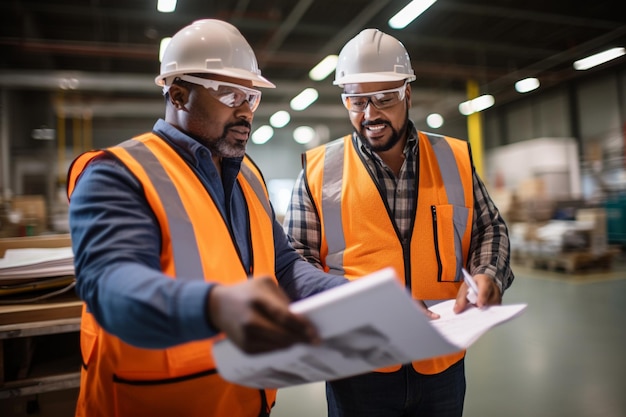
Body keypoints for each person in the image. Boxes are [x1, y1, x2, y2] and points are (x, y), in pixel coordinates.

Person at [66, 19, 347, 417]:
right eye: (230, 94)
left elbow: (282, 268)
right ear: (178, 95)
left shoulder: (247, 175)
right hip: (154, 404)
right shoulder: (118, 174)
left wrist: (353, 295)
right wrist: (216, 305)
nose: (246, 111)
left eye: (251, 96)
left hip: (246, 401)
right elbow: (110, 285)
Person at [283, 28, 515, 417]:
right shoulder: (319, 170)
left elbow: (489, 228)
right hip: (359, 366)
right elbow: (293, 261)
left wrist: (489, 273)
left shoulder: (452, 158)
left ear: (407, 93)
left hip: (440, 361)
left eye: (384, 100)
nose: (370, 114)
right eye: (356, 101)